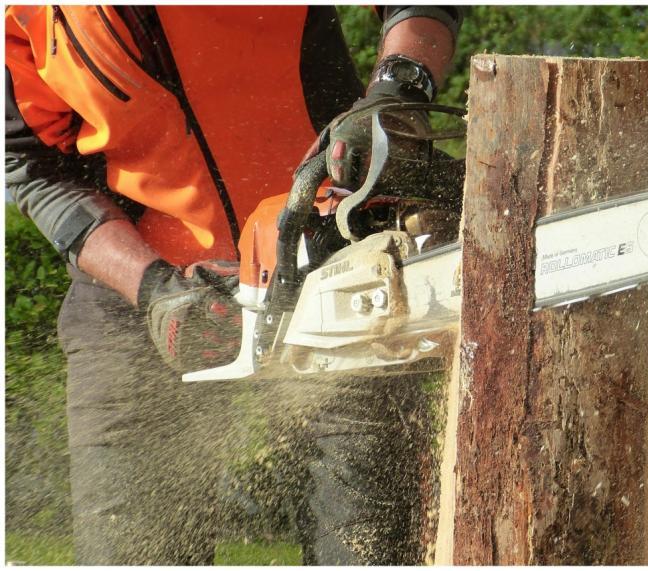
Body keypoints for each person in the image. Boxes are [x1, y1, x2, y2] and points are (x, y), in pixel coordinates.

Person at [5, 5, 462, 564]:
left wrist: (398, 86)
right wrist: (151, 287)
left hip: (334, 252)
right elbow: (31, 164)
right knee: (134, 548)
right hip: (139, 284)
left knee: (369, 544)